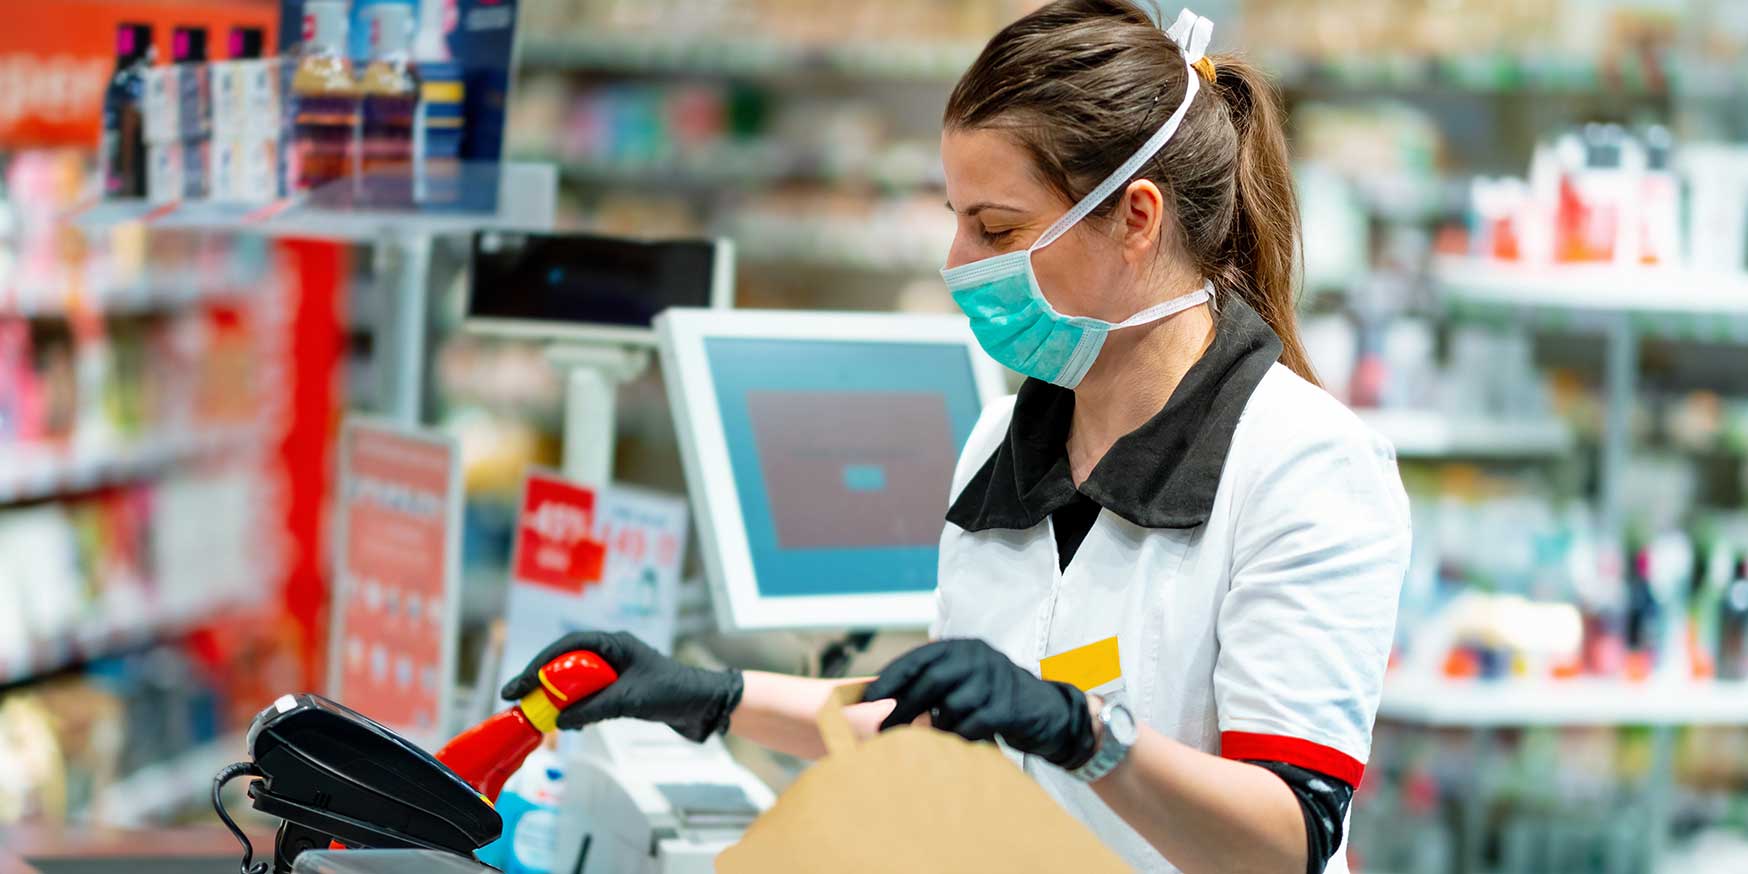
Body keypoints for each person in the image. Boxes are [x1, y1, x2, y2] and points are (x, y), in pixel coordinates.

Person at [501, 2, 1411, 871]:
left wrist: (1085, 733)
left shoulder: (1301, 463)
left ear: (1137, 219)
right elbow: (933, 722)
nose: (959, 265)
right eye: (958, 222)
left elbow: (1286, 837)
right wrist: (707, 695)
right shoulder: (1005, 439)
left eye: (997, 228)